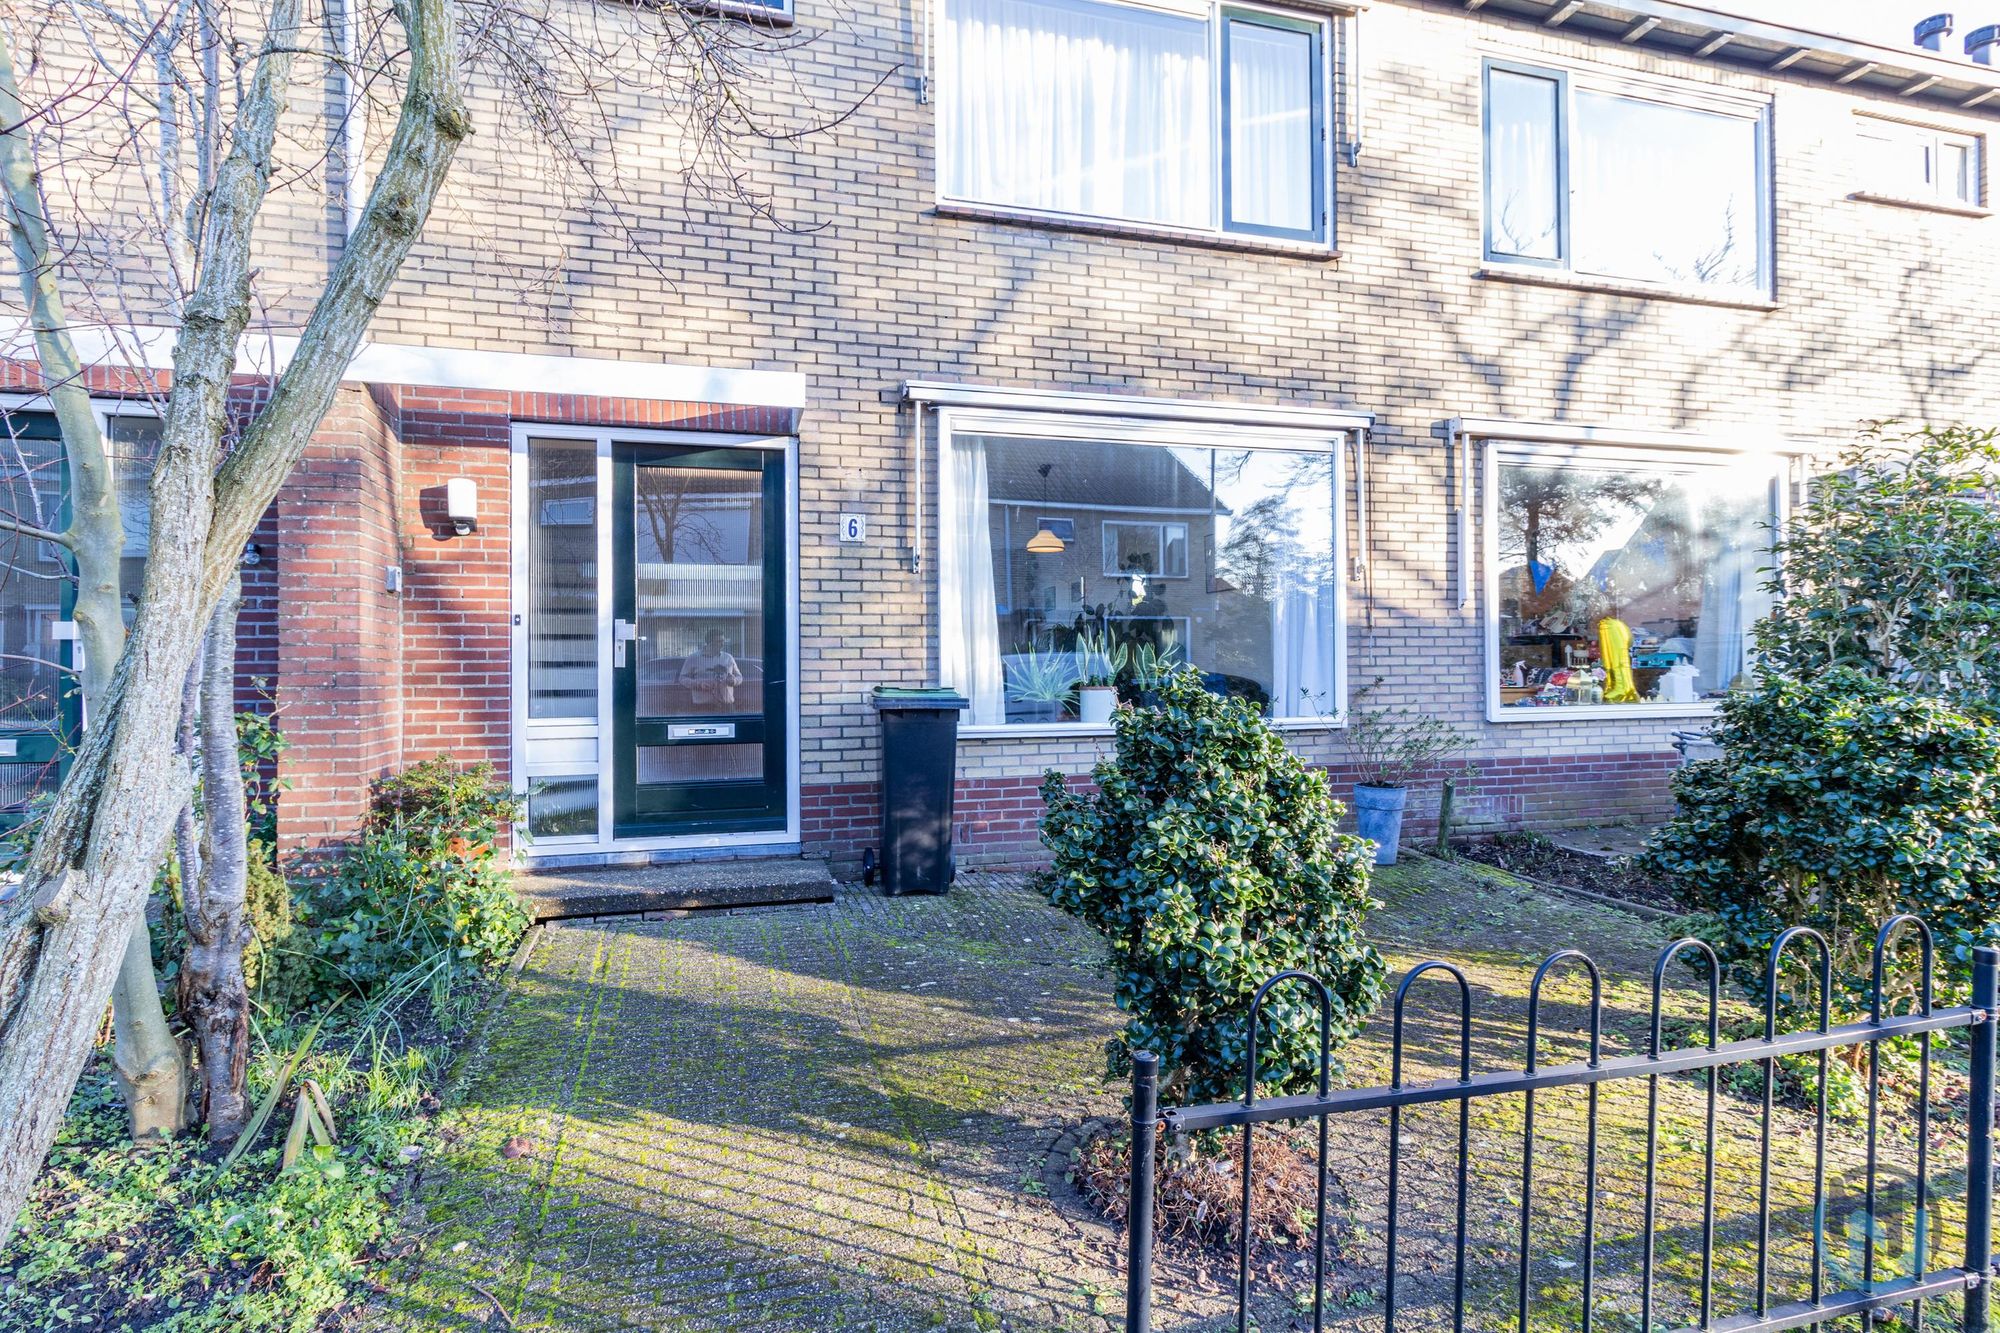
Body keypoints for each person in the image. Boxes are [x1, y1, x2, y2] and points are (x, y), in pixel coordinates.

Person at [678, 629, 743, 709]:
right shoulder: (693, 658)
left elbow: (739, 676)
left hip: (727, 706)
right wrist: (699, 684)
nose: (722, 644)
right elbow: (682, 678)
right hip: (703, 707)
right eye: (719, 641)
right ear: (709, 643)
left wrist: (734, 681)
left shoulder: (728, 658)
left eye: (723, 641)